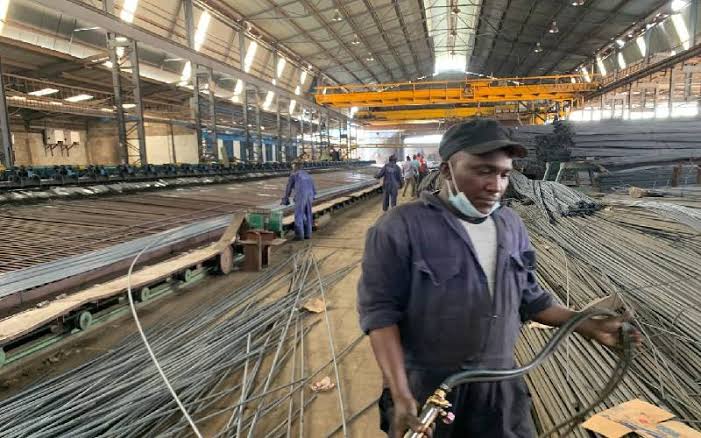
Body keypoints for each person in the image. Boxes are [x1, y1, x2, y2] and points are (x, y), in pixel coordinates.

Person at [357, 118, 640, 438]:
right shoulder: (400, 227)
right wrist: (401, 395)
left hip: (502, 392)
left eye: (504, 174)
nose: (496, 185)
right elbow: (380, 316)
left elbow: (532, 300)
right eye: (482, 171)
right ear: (447, 169)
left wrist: (587, 323)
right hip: (429, 392)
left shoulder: (510, 225)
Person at [281, 161, 316, 240]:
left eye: (293, 167)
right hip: (310, 194)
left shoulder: (294, 174)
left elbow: (289, 187)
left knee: (299, 214)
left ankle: (299, 235)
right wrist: (313, 195)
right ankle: (308, 234)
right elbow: (313, 186)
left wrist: (286, 199)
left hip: (301, 194)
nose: (292, 168)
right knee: (308, 214)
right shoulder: (307, 174)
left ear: (295, 167)